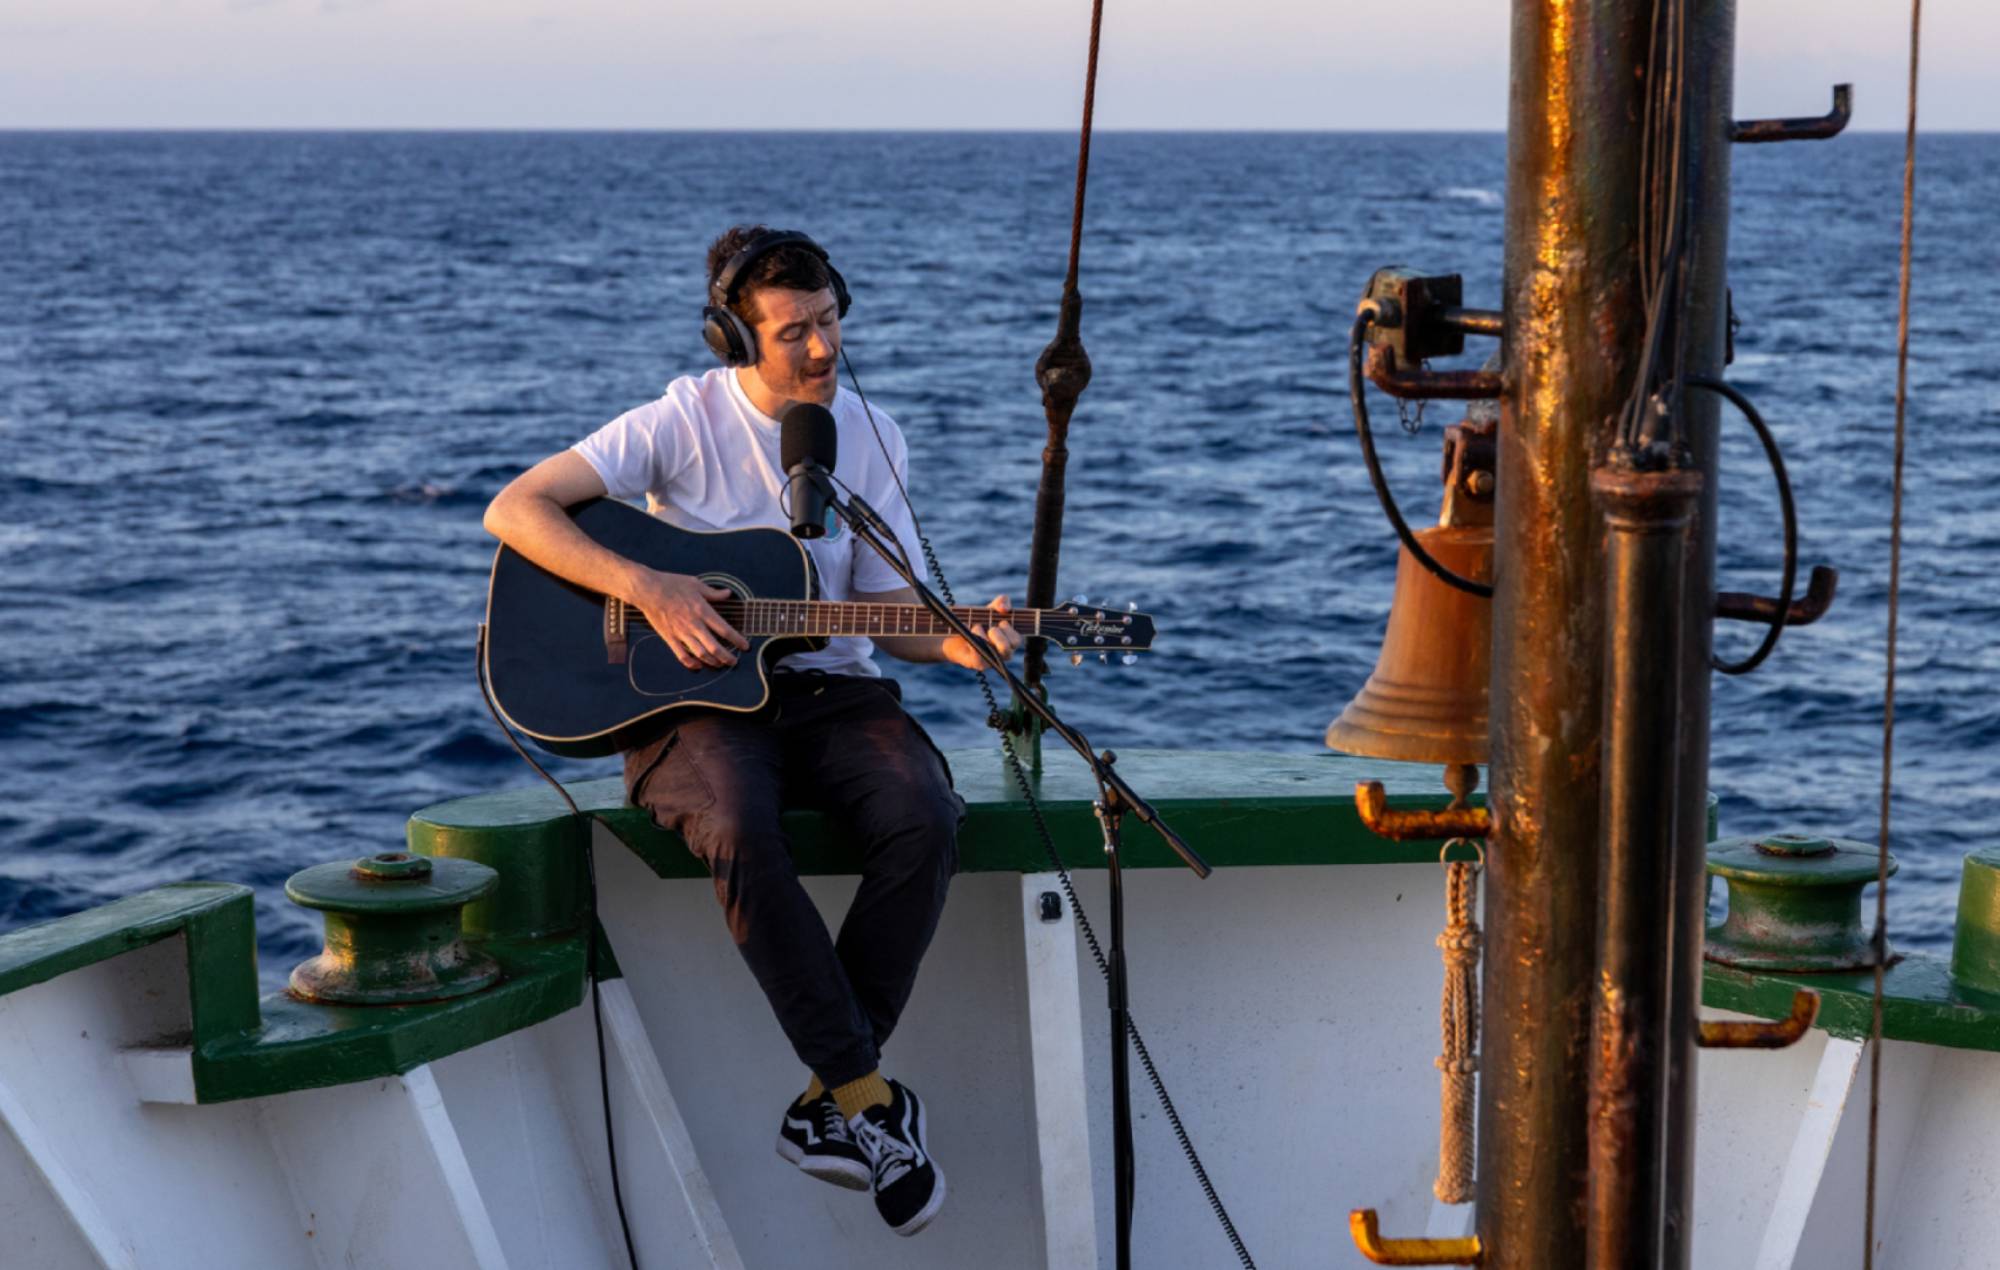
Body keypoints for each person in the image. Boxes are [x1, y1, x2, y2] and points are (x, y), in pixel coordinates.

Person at [482, 225, 1020, 1238]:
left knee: (921, 814)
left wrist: (964, 644)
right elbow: (517, 509)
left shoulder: (870, 432)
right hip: (689, 698)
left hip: (828, 687)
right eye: (791, 333)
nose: (820, 350)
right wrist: (651, 587)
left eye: (828, 323)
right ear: (733, 336)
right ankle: (865, 1098)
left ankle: (832, 1102)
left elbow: (890, 618)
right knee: (735, 821)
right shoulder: (679, 420)